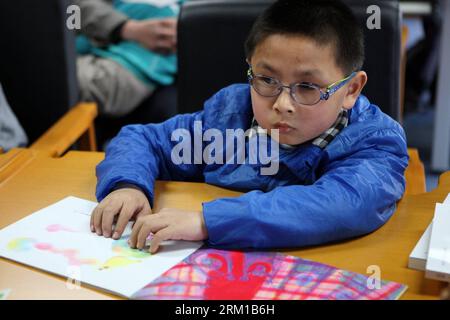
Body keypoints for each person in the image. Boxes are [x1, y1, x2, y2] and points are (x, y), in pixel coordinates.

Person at [91, 0, 409, 254]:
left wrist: (206, 222)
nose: (282, 103)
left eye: (308, 87)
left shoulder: (376, 142)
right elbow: (143, 139)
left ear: (351, 90)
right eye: (267, 79)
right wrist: (127, 185)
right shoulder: (229, 115)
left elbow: (343, 204)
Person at [75, 0, 179, 117]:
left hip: (111, 74)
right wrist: (126, 28)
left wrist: (124, 28)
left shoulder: (172, 22)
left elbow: (102, 86)